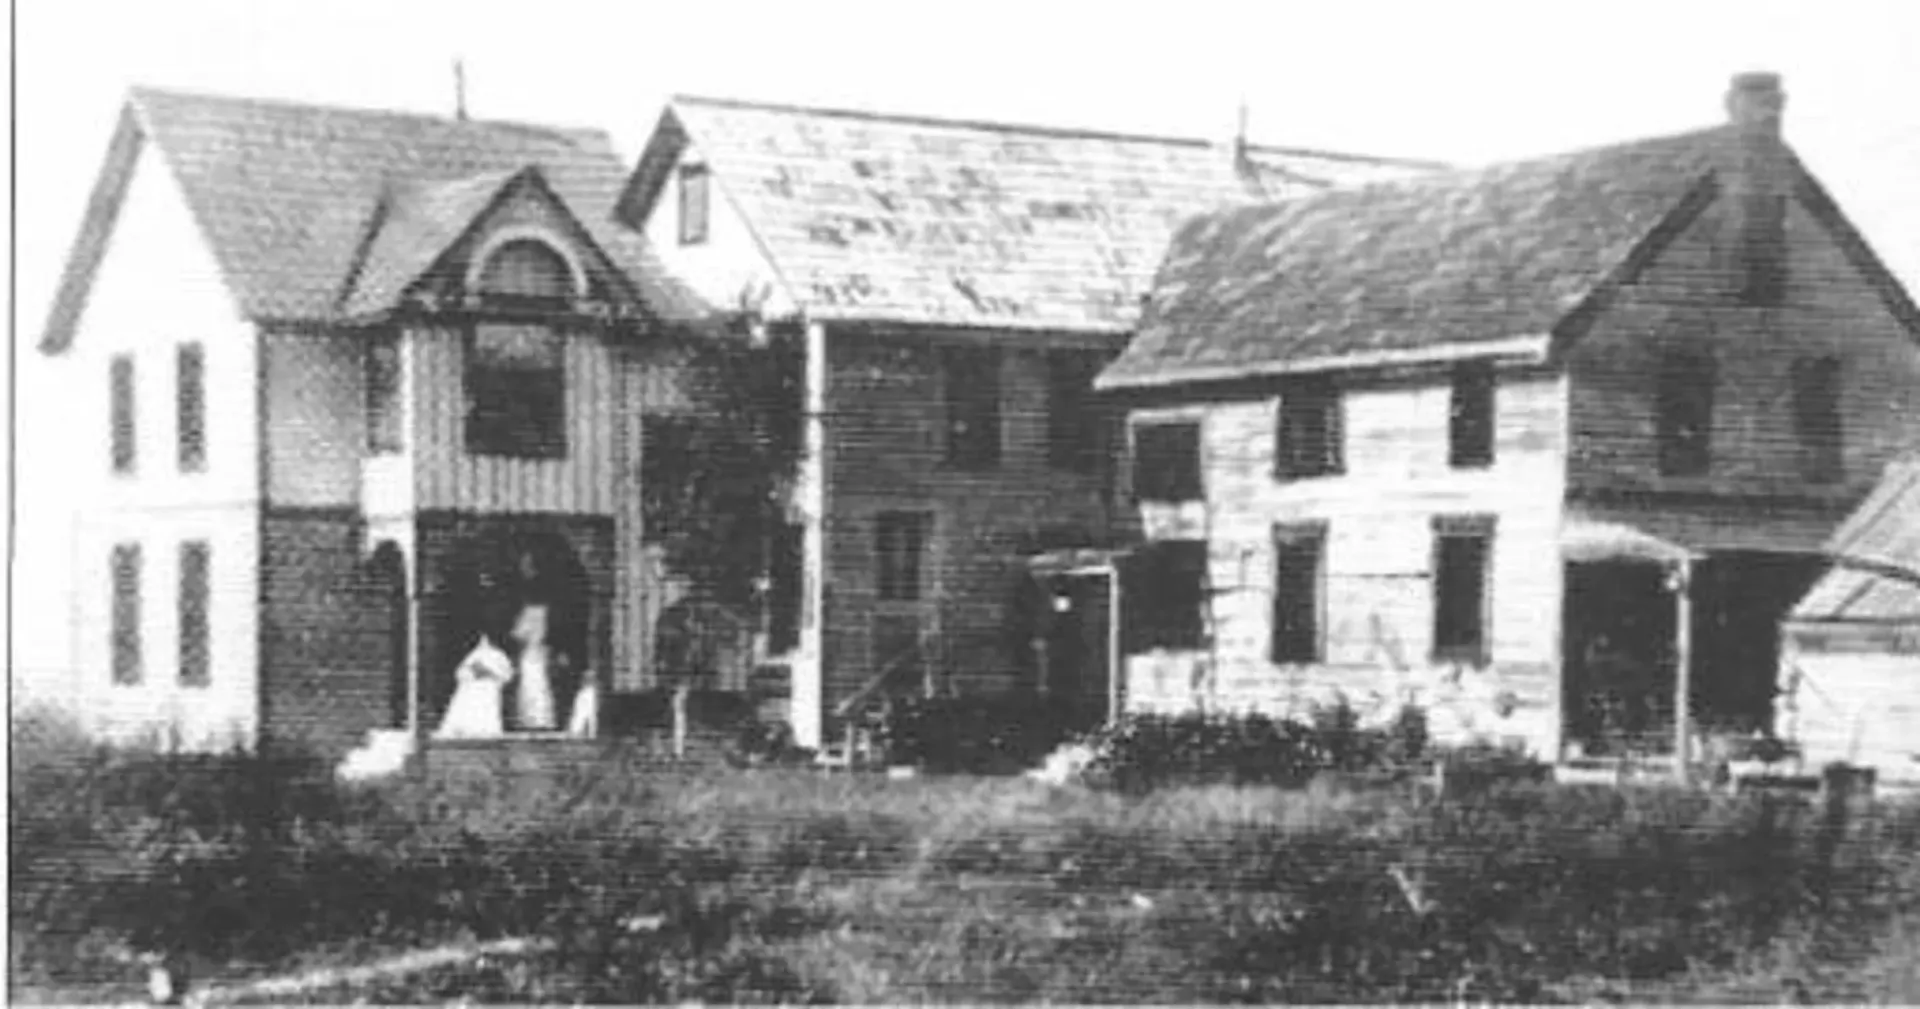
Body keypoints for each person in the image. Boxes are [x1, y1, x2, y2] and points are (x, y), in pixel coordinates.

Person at [434, 631, 515, 739]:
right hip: (471, 684)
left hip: (489, 685)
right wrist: (473, 672)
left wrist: (489, 673)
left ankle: (482, 730)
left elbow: (506, 675)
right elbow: (461, 672)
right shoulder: (474, 654)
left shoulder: (499, 655)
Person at [511, 602, 558, 731]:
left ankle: (532, 719)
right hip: (538, 653)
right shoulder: (543, 613)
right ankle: (539, 718)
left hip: (531, 653)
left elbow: (518, 634)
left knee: (531, 686)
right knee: (539, 686)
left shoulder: (532, 612)